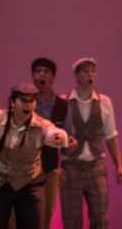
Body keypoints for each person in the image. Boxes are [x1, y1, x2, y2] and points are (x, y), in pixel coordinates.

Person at [0, 83, 70, 229]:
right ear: (13, 102)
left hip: (28, 184)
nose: (28, 105)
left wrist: (58, 136)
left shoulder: (39, 124)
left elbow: (52, 131)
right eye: (23, 101)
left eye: (31, 101)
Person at [59, 58, 122, 229]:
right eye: (85, 71)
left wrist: (118, 165)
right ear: (76, 75)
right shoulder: (63, 102)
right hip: (71, 167)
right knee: (71, 220)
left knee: (100, 217)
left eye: (93, 71)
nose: (90, 75)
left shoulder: (104, 102)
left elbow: (111, 135)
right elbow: (53, 138)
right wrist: (57, 165)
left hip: (95, 166)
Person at [31, 58, 68, 229]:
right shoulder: (25, 102)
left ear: (53, 77)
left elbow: (69, 136)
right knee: (22, 216)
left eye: (46, 71)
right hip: (26, 168)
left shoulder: (63, 105)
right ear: (33, 76)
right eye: (38, 71)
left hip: (50, 169)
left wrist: (63, 165)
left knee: (45, 217)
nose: (42, 75)